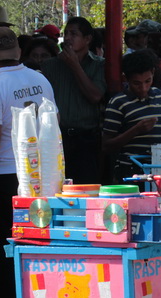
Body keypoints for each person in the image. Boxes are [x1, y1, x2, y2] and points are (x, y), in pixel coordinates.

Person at [0, 26, 55, 298]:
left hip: (3, 176)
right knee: (37, 243)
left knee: (3, 247)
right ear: (18, 52)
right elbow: (54, 124)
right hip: (40, 175)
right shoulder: (40, 79)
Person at [102, 50, 161, 180]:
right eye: (137, 83)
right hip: (131, 171)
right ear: (126, 78)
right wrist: (136, 130)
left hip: (159, 168)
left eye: (148, 81)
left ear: (153, 73)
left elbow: (158, 129)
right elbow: (106, 145)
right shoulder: (118, 103)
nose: (143, 88)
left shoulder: (158, 95)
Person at [41, 17, 106, 184]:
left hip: (86, 140)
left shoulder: (99, 65)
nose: (68, 38)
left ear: (87, 39)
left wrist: (75, 66)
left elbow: (95, 96)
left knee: (86, 190)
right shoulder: (50, 65)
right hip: (56, 139)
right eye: (66, 33)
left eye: (74, 34)